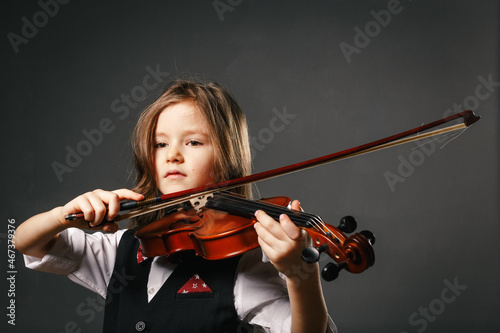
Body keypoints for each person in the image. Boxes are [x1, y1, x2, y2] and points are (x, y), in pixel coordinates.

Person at [15, 80, 337, 332]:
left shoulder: (243, 267)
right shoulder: (123, 248)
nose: (172, 155)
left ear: (227, 157)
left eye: (193, 142)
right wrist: (63, 217)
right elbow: (26, 241)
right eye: (160, 144)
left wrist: (300, 273)